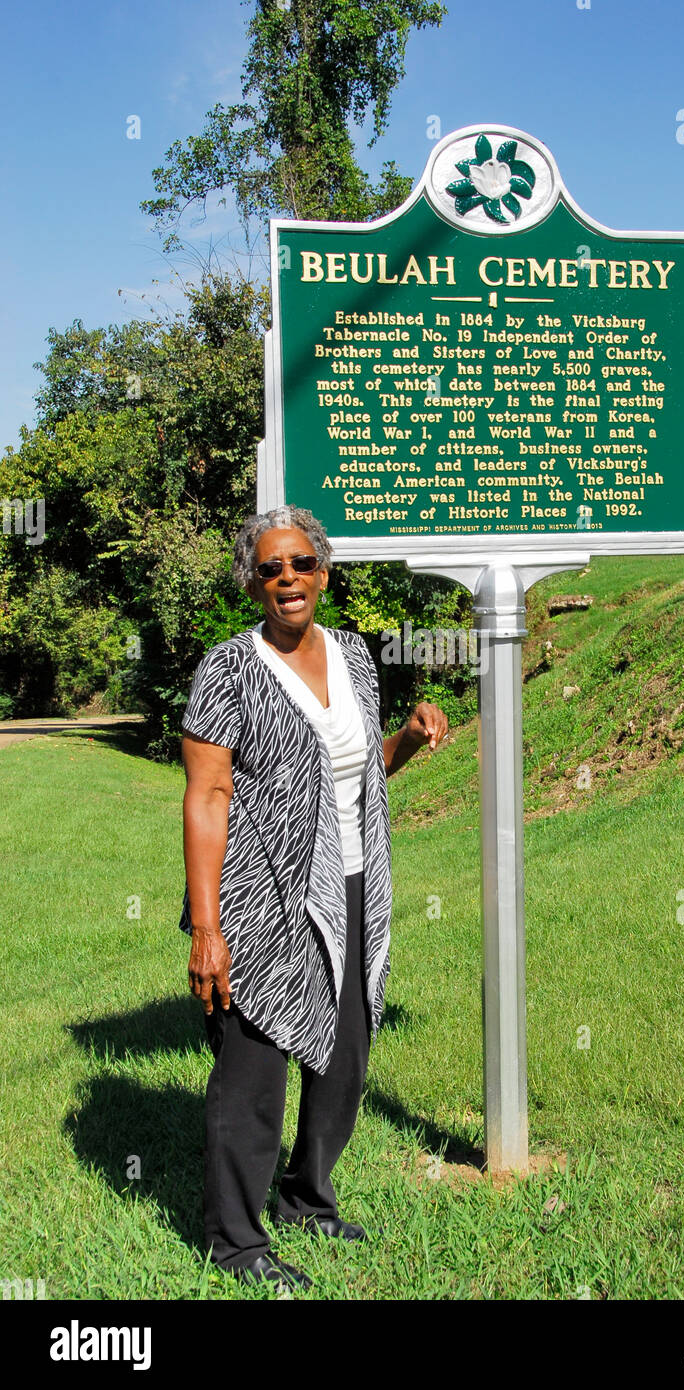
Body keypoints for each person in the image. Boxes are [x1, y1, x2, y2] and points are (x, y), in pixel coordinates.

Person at [180, 505, 448, 1293]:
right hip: (257, 894)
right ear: (254, 583)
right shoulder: (228, 669)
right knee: (252, 1070)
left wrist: (406, 735)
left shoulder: (356, 656)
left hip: (352, 881)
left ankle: (305, 1195)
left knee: (346, 1056)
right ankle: (235, 1241)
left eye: (299, 564)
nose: (286, 579)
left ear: (323, 573)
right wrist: (207, 927)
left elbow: (364, 771)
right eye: (270, 569)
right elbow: (207, 796)